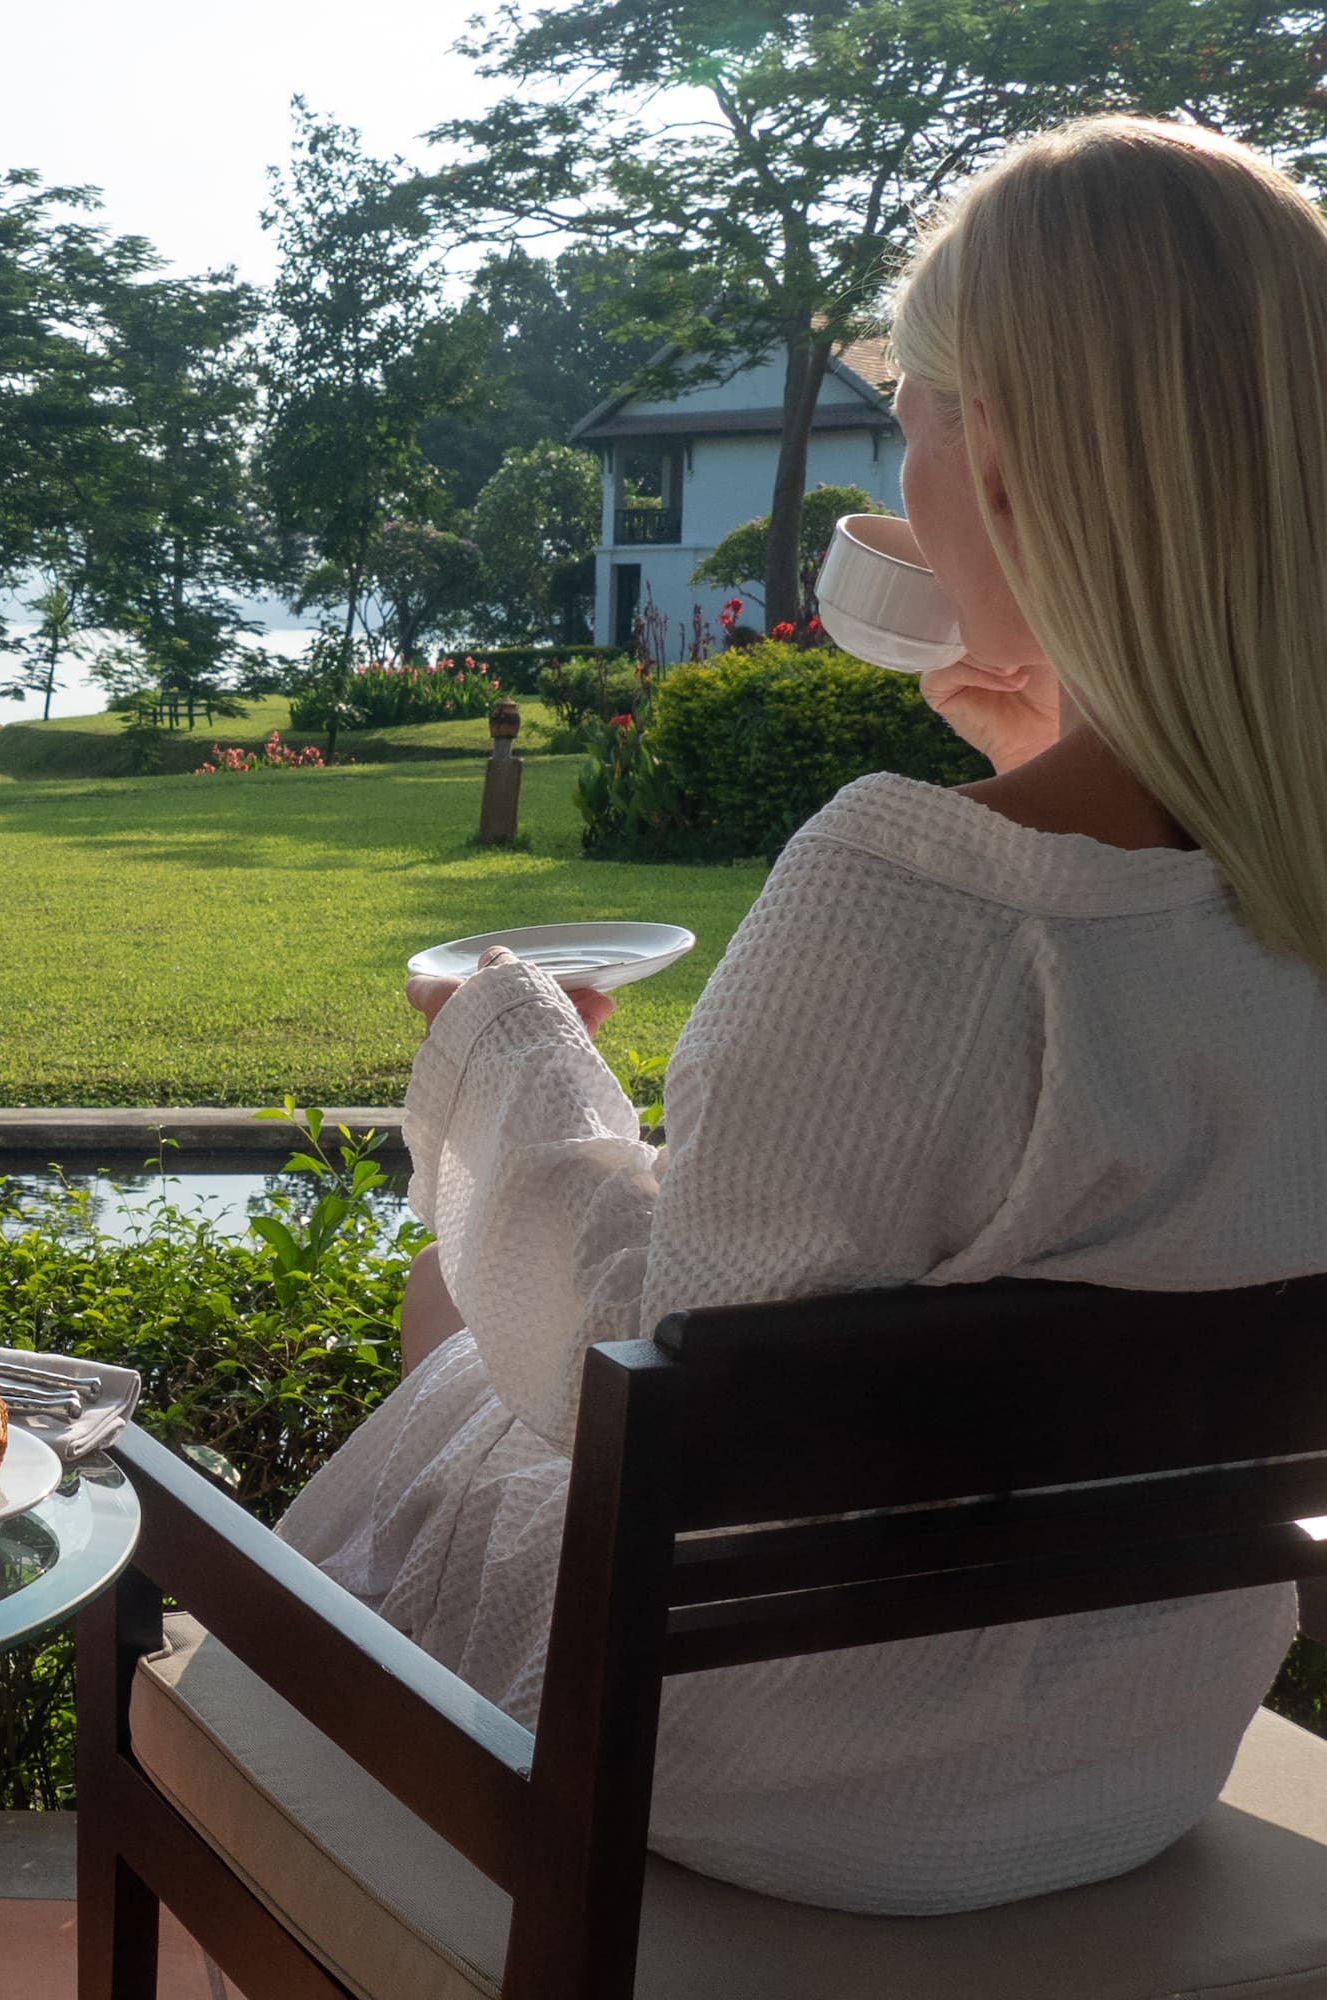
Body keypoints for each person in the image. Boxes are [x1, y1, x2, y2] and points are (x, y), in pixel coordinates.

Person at [278, 113, 1327, 1918]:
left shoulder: (908, 894)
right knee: (477, 1327)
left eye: (909, 423)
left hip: (781, 1773)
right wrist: (1044, 760)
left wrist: (512, 1038)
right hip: (1126, 1747)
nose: (897, 487)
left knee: (459, 1306)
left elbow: (640, 1358)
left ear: (1007, 459)